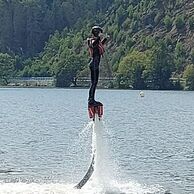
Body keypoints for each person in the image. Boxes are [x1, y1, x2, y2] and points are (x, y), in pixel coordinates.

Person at [87, 26, 108, 106]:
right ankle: (91, 100)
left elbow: (99, 45)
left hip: (95, 64)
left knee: (94, 83)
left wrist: (105, 39)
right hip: (94, 64)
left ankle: (92, 99)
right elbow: (93, 45)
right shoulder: (91, 40)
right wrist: (99, 38)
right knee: (94, 83)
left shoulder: (96, 41)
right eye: (99, 32)